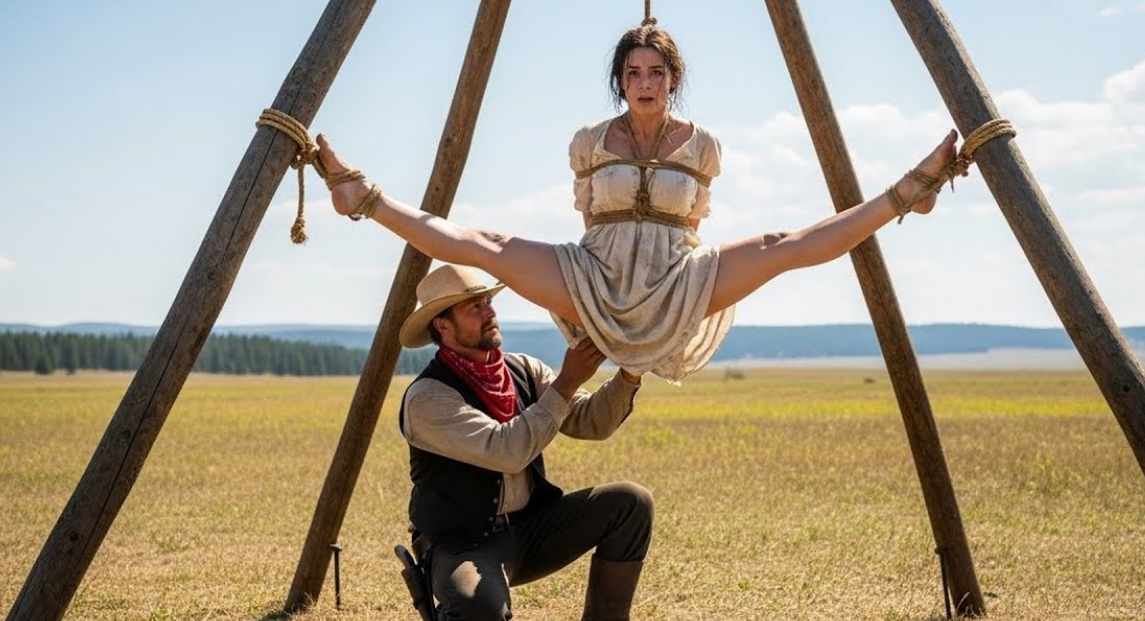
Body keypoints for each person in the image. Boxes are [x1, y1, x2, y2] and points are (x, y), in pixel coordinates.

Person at [313, 22, 965, 383]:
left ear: (672, 80)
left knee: (780, 247)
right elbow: (589, 219)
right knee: (488, 246)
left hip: (678, 277)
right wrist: (595, 267)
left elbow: (695, 220)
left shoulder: (703, 144)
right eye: (634, 72)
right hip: (597, 276)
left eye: (656, 72)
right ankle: (360, 196)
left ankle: (912, 190)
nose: (645, 82)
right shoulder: (590, 143)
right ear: (620, 81)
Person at [396, 262, 670, 621]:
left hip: (528, 530)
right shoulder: (427, 397)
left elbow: (589, 421)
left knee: (629, 502)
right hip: (462, 541)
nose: (489, 312)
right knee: (477, 611)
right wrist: (565, 383)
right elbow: (507, 451)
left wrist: (631, 370)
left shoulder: (522, 369)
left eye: (488, 302)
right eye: (473, 308)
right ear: (443, 327)